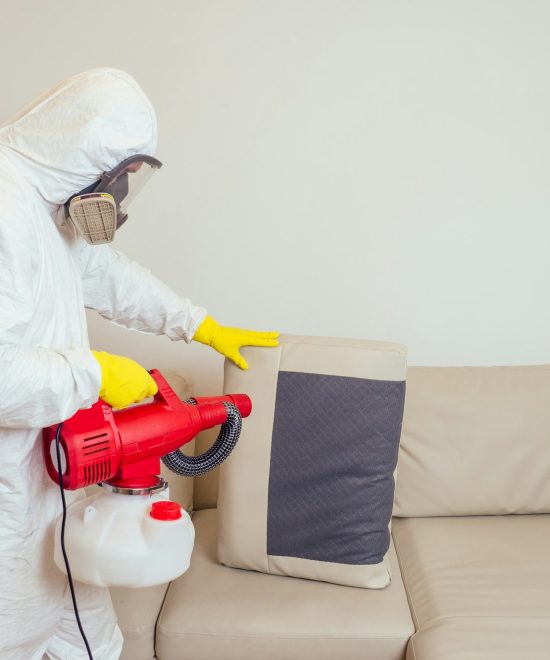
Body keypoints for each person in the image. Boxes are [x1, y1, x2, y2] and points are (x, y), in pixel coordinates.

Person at [0, 67, 278, 659]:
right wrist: (97, 374)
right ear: (84, 151)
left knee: (91, 636)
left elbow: (107, 274)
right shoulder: (3, 209)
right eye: (121, 176)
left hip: (54, 491)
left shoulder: (47, 205)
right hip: (7, 511)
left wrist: (197, 324)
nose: (121, 195)